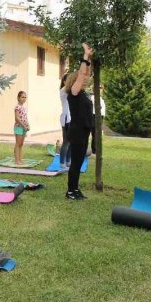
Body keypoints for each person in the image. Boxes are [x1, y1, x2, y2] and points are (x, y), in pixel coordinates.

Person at [65, 43, 94, 200]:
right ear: (75, 80)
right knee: (76, 162)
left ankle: (75, 189)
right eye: (81, 78)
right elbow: (83, 74)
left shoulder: (82, 93)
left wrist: (88, 58)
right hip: (76, 131)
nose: (85, 79)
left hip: (84, 131)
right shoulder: (73, 93)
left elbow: (86, 74)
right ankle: (71, 191)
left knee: (79, 162)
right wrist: (84, 56)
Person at [12, 91, 30, 165]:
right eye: (22, 97)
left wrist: (28, 125)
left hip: (24, 127)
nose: (24, 99)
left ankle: (20, 159)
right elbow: (17, 118)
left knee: (21, 144)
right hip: (19, 127)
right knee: (18, 143)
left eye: (25, 97)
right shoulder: (17, 107)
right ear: (18, 98)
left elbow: (25, 118)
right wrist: (23, 126)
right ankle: (17, 160)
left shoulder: (23, 107)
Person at [59, 73, 72, 168]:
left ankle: (68, 161)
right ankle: (62, 162)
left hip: (70, 117)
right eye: (69, 80)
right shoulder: (64, 90)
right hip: (67, 118)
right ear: (64, 82)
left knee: (71, 141)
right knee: (66, 141)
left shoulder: (69, 90)